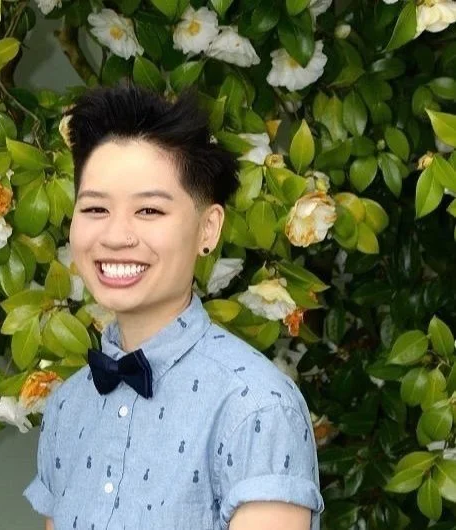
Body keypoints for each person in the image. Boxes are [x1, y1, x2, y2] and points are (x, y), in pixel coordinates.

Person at [23, 83, 324, 530]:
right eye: (96, 209)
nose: (116, 236)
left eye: (149, 211)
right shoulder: (67, 407)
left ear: (208, 229)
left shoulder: (256, 407)